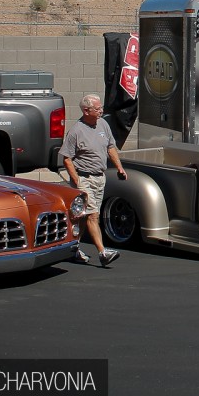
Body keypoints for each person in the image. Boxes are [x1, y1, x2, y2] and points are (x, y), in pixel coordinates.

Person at [59, 93, 129, 267]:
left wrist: (119, 167)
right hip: (84, 179)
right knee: (93, 216)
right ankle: (102, 252)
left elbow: (111, 147)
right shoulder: (76, 131)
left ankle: (72, 248)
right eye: (97, 109)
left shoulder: (103, 124)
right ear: (86, 110)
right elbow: (66, 158)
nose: (101, 111)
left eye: (101, 108)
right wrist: (77, 181)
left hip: (100, 178)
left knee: (83, 217)